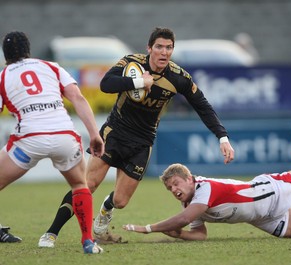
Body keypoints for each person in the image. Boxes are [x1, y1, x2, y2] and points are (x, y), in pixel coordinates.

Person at [38, 27, 235, 247]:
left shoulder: (178, 77)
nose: (164, 52)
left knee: (121, 201)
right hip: (115, 132)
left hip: (142, 142)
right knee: (87, 185)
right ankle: (51, 233)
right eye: (159, 47)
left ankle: (105, 212)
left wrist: (222, 137)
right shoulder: (131, 63)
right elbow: (106, 84)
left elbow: (202, 106)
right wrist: (139, 82)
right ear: (149, 48)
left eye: (169, 48)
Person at [122, 120, 291, 240]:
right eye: (170, 188)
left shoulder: (204, 189)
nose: (174, 190)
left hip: (271, 192)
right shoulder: (191, 204)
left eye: (176, 184)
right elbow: (199, 235)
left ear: (189, 179)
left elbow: (184, 219)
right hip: (263, 217)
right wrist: (179, 235)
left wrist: (148, 228)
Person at [0, 31, 104, 254]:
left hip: (28, 141)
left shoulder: (3, 76)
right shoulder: (51, 66)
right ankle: (88, 241)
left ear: (5, 54)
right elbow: (77, 97)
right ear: (29, 49)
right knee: (79, 185)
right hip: (64, 137)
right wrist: (94, 134)